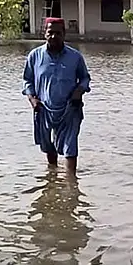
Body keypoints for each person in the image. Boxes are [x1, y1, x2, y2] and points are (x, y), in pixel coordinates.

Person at [23, 17, 91, 176]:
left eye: (58, 33)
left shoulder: (75, 57)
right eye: (50, 32)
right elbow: (27, 80)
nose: (54, 36)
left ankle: (71, 183)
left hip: (70, 109)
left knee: (70, 146)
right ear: (44, 33)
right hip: (44, 109)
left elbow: (85, 78)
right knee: (48, 146)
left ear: (64, 34)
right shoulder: (35, 56)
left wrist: (79, 91)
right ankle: (52, 178)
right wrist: (32, 99)